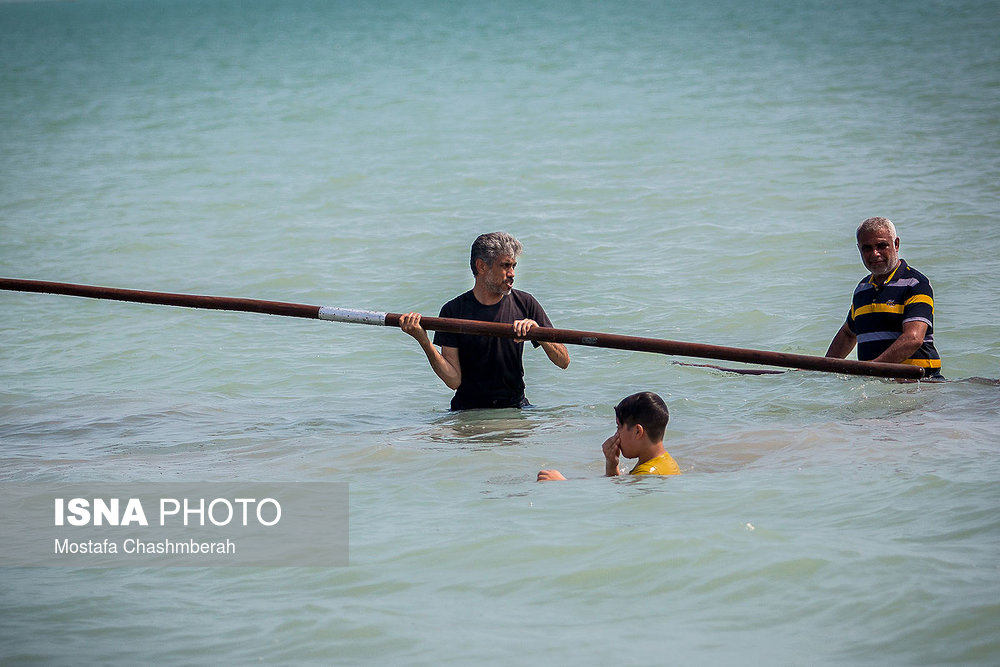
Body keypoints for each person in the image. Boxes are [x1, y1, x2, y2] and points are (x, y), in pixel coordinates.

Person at [400, 232, 570, 410]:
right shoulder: (453, 310)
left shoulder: (525, 303)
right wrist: (424, 341)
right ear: (481, 266)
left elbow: (563, 361)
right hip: (468, 411)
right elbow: (453, 380)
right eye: (505, 266)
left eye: (513, 266)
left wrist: (538, 333)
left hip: (515, 408)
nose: (512, 273)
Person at [825, 217, 942, 377]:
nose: (875, 253)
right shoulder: (862, 289)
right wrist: (820, 370)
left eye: (882, 245)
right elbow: (848, 334)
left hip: (920, 386)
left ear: (896, 244)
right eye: (867, 248)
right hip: (876, 387)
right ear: (859, 249)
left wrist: (872, 369)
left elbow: (913, 339)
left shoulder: (915, 284)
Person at [537, 391, 680, 481]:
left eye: (619, 427)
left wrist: (563, 485)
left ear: (638, 432)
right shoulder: (662, 462)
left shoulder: (648, 475)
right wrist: (612, 465)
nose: (616, 434)